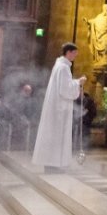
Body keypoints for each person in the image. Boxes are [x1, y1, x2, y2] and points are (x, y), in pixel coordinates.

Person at [31, 43, 87, 171]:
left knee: (54, 135)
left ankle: (52, 163)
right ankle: (53, 164)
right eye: (74, 53)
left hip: (57, 108)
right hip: (59, 110)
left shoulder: (59, 66)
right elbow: (64, 89)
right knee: (56, 135)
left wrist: (76, 83)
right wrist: (79, 82)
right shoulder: (63, 68)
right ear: (68, 52)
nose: (75, 56)